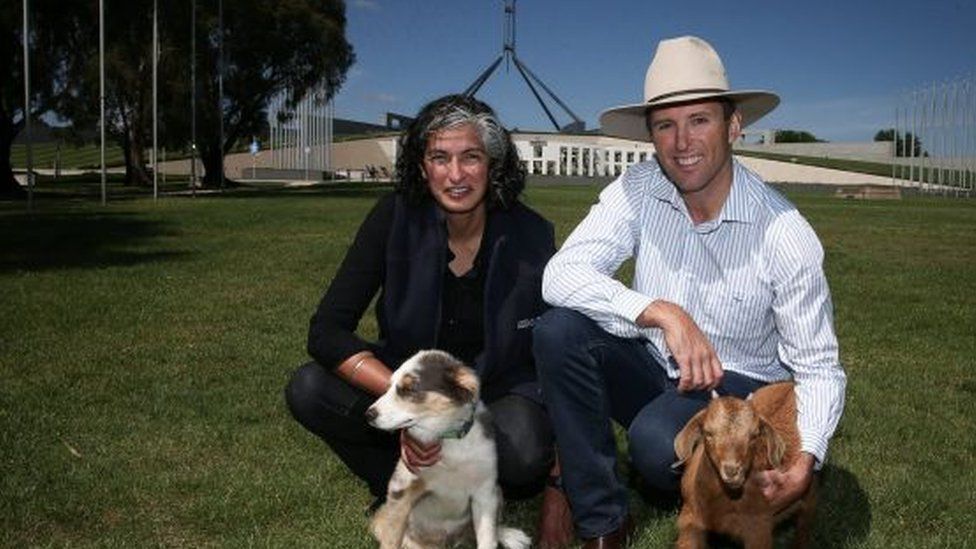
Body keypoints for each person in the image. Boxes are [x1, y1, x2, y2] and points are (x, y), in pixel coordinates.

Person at [533, 36, 847, 548]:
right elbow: (560, 274)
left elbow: (818, 367)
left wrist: (806, 457)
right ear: (651, 135)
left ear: (733, 126)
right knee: (558, 332)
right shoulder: (636, 189)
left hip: (740, 389)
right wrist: (660, 312)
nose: (682, 142)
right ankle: (602, 522)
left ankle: (705, 496)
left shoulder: (784, 231)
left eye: (699, 120)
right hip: (654, 360)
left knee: (657, 448)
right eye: (666, 125)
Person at [285, 94, 557, 512]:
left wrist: (560, 489)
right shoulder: (393, 218)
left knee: (523, 451)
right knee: (309, 388)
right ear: (421, 165)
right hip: (406, 377)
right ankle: (405, 484)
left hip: (494, 392)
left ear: (493, 164)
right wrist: (411, 403)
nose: (455, 175)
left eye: (471, 157)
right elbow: (327, 330)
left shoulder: (532, 235)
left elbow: (560, 354)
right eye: (439, 157)